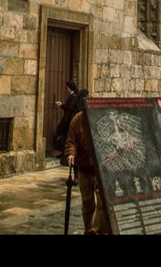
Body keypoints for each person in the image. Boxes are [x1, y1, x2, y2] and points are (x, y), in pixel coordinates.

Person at [64, 93, 107, 235]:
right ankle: (88, 229)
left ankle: (98, 229)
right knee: (87, 202)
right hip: (84, 167)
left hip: (99, 168)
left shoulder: (100, 118)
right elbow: (71, 140)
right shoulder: (77, 120)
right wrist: (71, 154)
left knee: (102, 202)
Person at [54, 80, 79, 164]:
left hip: (69, 120)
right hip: (68, 119)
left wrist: (62, 105)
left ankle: (65, 157)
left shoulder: (74, 97)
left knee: (66, 137)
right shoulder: (72, 96)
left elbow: (70, 109)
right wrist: (62, 105)